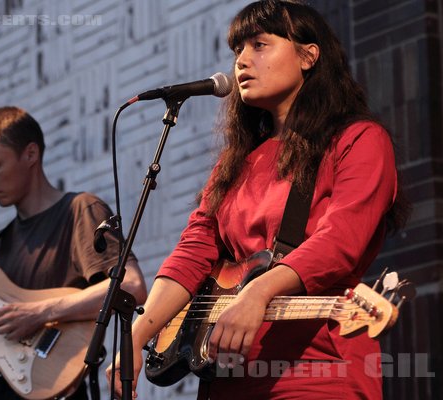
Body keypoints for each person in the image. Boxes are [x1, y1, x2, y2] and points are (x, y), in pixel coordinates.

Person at [107, 1, 409, 399]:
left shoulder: (358, 140)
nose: (242, 61)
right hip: (226, 374)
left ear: (308, 55)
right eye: (237, 50)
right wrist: (135, 337)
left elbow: (341, 240)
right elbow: (193, 252)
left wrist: (258, 292)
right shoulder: (238, 163)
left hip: (319, 370)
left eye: (259, 45)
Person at [0, 106, 147, 400]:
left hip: (61, 388)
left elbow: (132, 286)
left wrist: (41, 312)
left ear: (30, 154)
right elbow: (10, 342)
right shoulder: (0, 245)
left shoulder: (80, 210)